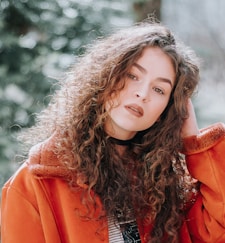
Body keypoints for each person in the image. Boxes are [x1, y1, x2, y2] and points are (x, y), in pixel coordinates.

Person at [1, 19, 225, 243]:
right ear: (105, 76)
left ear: (168, 109)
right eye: (132, 76)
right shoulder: (37, 183)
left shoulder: (163, 185)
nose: (142, 93)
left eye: (159, 89)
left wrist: (196, 145)